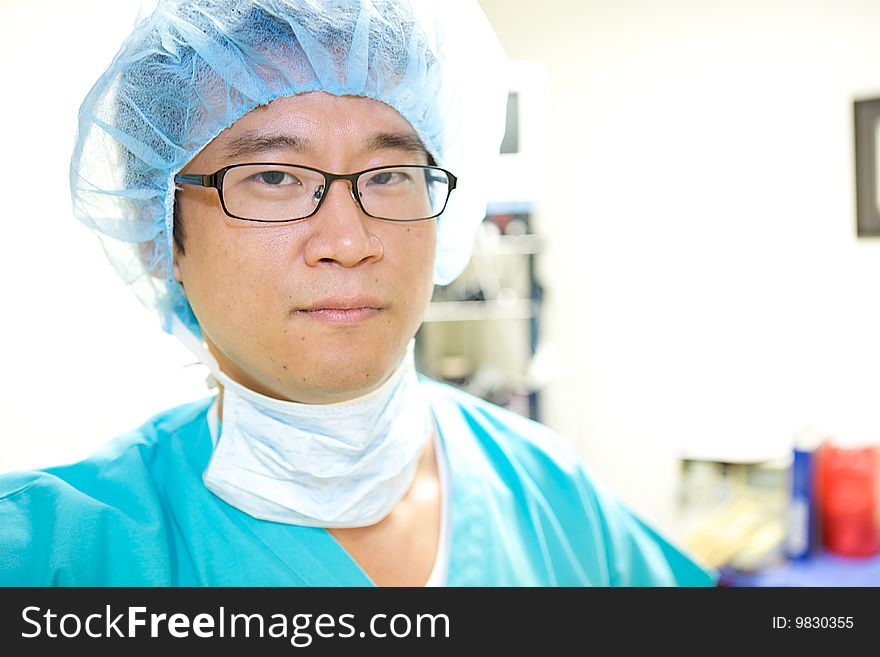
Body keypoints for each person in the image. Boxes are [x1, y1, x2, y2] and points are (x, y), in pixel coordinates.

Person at [0, 0, 715, 587]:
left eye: (387, 175)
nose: (349, 239)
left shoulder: (550, 497)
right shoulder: (55, 558)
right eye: (275, 178)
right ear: (163, 233)